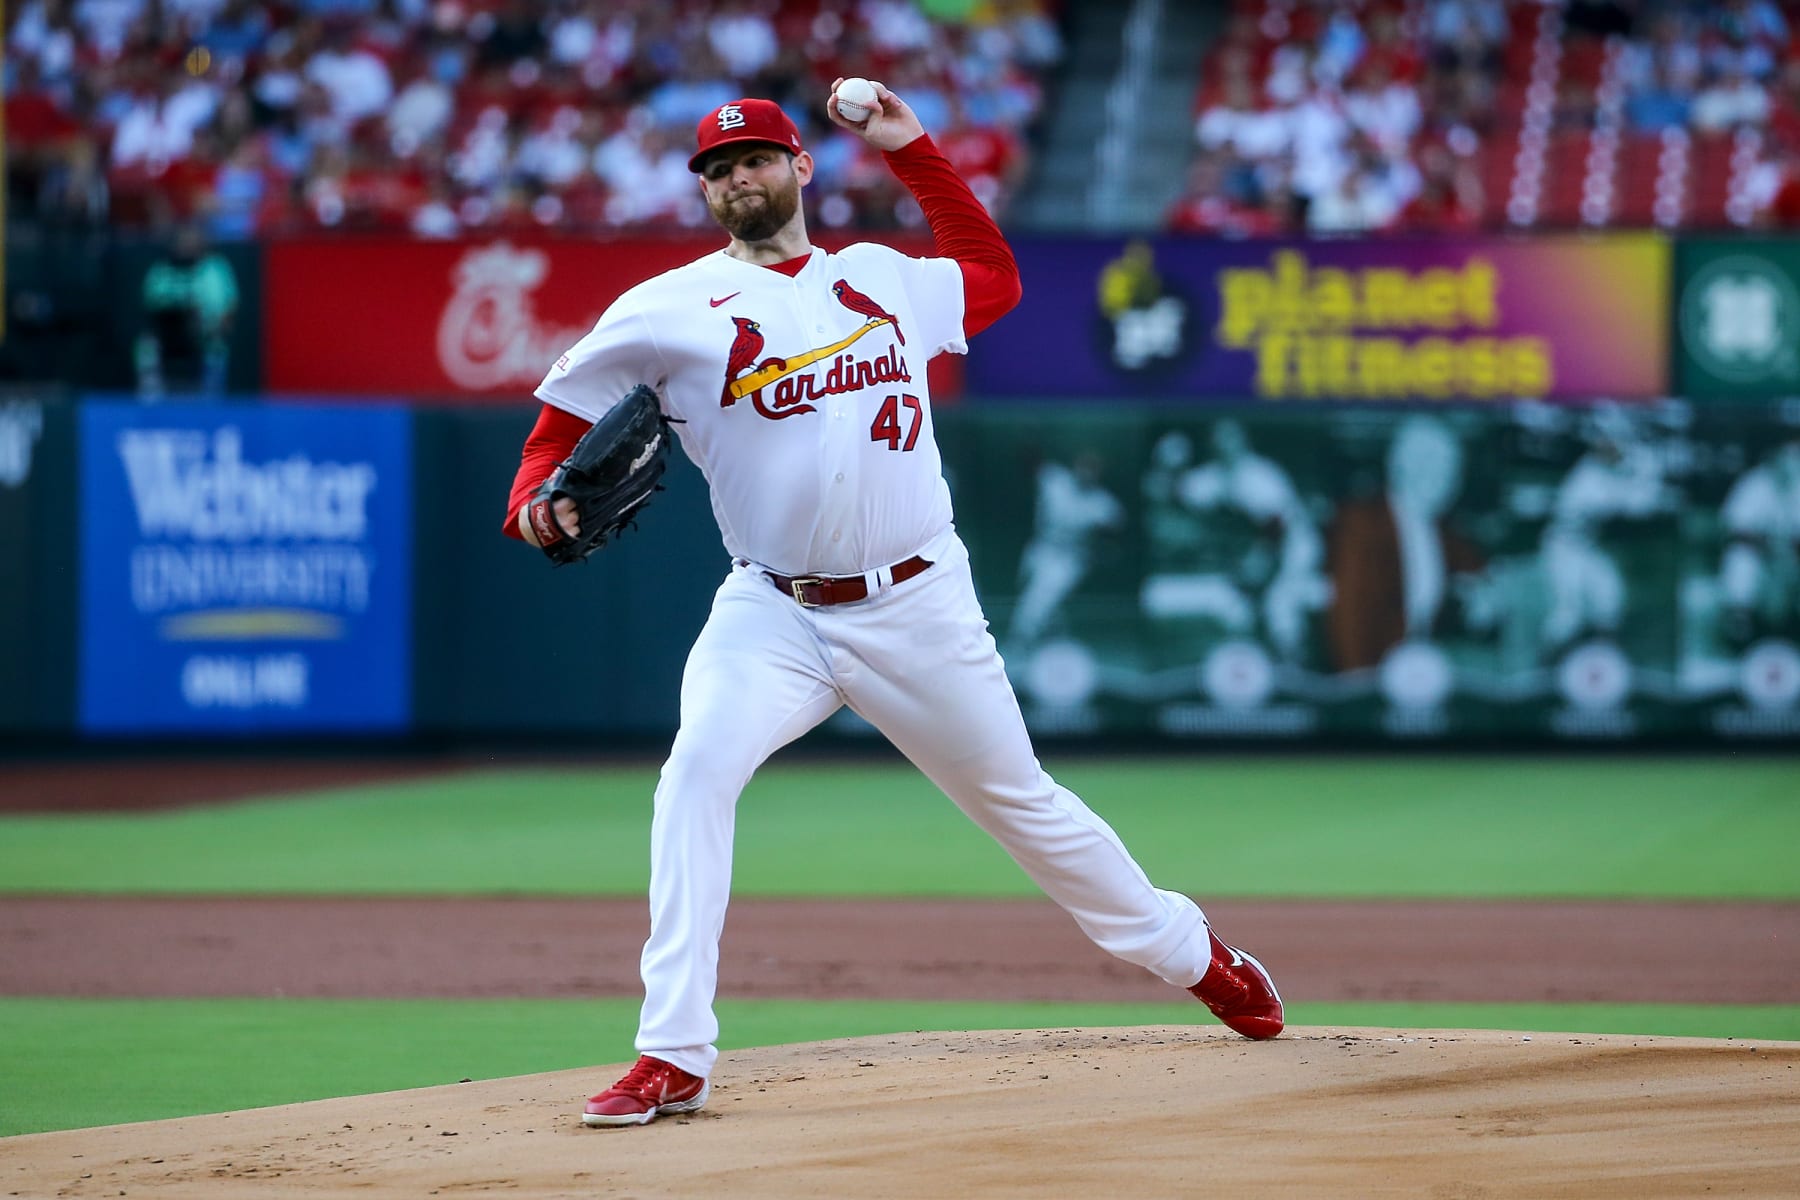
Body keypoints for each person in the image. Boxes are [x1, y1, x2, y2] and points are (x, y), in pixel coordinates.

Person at [502, 84, 1284, 1130]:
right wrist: (530, 506)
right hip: (771, 610)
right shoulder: (665, 310)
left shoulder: (881, 279)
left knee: (1024, 804)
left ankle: (1193, 954)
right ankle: (672, 1055)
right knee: (693, 775)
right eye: (719, 168)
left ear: (800, 168)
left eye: (757, 158)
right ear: (705, 191)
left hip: (919, 604)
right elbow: (555, 432)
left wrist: (913, 149)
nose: (739, 177)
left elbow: (996, 278)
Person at [134, 225, 239, 400]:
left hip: (206, 333)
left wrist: (215, 325)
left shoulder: (215, 268)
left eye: (192, 241)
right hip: (167, 333)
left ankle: (211, 396)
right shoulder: (162, 269)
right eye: (184, 241)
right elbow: (151, 302)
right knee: (145, 344)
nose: (188, 245)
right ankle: (150, 395)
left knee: (216, 347)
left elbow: (229, 309)